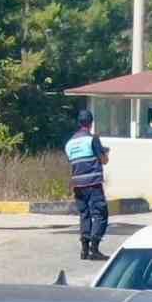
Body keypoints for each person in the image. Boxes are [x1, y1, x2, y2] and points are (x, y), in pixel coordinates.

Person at [65, 109, 110, 261]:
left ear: (79, 123)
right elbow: (103, 160)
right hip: (93, 183)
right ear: (91, 123)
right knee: (100, 214)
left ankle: (84, 250)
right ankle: (94, 249)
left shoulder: (69, 143)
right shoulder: (92, 139)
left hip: (77, 184)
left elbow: (74, 162)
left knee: (84, 215)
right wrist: (105, 153)